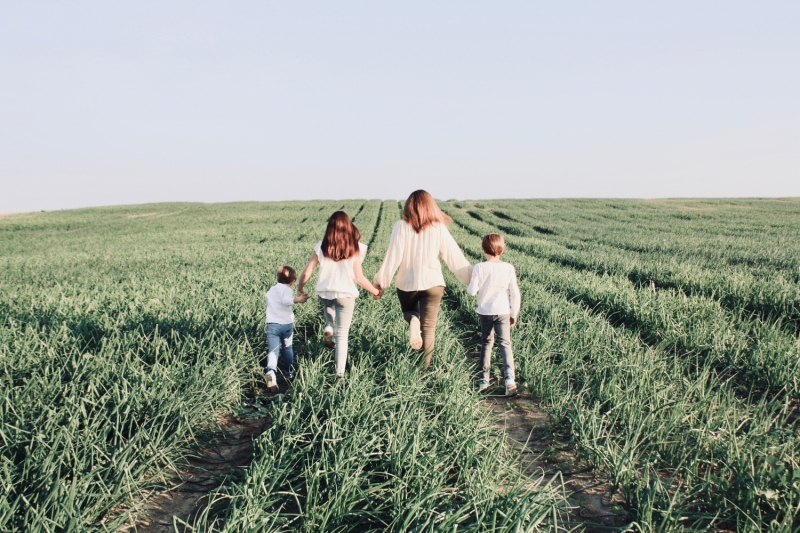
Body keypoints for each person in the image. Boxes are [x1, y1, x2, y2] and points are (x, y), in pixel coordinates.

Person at [374, 190, 472, 369]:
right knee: (429, 329)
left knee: (410, 313)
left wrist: (382, 281)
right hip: (433, 283)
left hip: (407, 284)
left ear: (409, 206)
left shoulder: (401, 226)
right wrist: (472, 279)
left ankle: (413, 320)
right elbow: (454, 257)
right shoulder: (438, 227)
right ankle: (424, 369)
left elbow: (392, 257)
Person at [298, 211, 381, 378]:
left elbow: (307, 271)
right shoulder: (354, 248)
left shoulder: (322, 246)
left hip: (325, 291)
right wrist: (375, 291)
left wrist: (300, 288)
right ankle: (339, 375)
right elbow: (359, 278)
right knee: (342, 335)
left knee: (329, 308)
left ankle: (329, 324)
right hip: (345, 294)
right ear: (348, 227)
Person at [466, 234, 520, 396]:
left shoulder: (479, 267)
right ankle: (510, 380)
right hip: (503, 311)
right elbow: (515, 293)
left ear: (483, 249)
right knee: (505, 344)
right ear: (501, 249)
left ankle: (484, 381)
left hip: (485, 312)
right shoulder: (508, 268)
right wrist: (514, 313)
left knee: (487, 343)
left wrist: (474, 283)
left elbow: (471, 292)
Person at [265, 265, 309, 392]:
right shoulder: (287, 290)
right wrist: (298, 300)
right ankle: (289, 372)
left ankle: (271, 372)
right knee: (288, 348)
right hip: (285, 325)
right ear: (293, 281)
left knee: (273, 350)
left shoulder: (272, 290)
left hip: (272, 325)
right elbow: (286, 301)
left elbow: (269, 299)